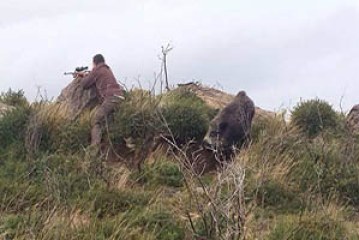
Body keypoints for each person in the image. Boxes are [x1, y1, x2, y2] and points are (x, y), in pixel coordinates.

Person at [77, 54, 124, 146]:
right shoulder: (107, 69)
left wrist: (81, 77)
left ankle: (94, 149)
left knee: (95, 119)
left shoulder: (96, 70)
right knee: (108, 121)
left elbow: (84, 84)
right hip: (120, 97)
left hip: (111, 99)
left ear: (95, 62)